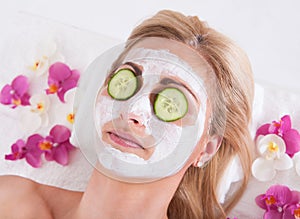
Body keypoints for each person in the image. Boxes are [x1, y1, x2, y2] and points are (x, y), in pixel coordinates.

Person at [0, 10, 254, 219]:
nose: (134, 111)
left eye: (171, 103)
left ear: (207, 149)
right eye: (127, 82)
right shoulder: (11, 201)